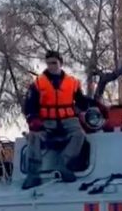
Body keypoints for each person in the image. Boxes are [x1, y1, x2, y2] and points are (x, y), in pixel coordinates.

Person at [21, 50, 93, 190]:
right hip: (47, 121)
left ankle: (64, 165)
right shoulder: (38, 83)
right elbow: (30, 105)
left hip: (68, 120)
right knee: (34, 137)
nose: (51, 66)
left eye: (54, 63)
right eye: (48, 63)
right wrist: (33, 119)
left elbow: (80, 101)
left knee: (79, 135)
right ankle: (33, 174)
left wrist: (92, 105)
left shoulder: (72, 82)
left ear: (61, 63)